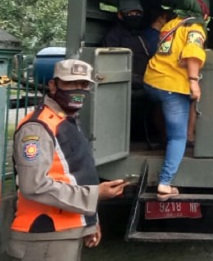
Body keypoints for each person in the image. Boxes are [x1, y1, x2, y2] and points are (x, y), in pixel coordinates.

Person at [7, 59, 128, 261]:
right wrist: (95, 194)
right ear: (53, 86)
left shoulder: (67, 121)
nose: (78, 90)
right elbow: (34, 185)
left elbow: (76, 174)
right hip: (43, 234)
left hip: (66, 231)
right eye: (71, 84)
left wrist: (89, 220)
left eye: (83, 84)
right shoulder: (37, 128)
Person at [143, 0, 209, 200]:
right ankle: (165, 183)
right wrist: (193, 81)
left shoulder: (170, 24)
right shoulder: (195, 29)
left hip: (151, 80)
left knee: (164, 111)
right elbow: (192, 53)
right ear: (203, 12)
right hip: (171, 85)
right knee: (178, 137)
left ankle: (163, 140)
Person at [101, 0, 150, 89]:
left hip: (144, 82)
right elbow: (111, 65)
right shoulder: (113, 36)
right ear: (120, 15)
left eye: (138, 13)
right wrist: (138, 79)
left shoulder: (139, 34)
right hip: (125, 85)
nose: (135, 16)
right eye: (130, 13)